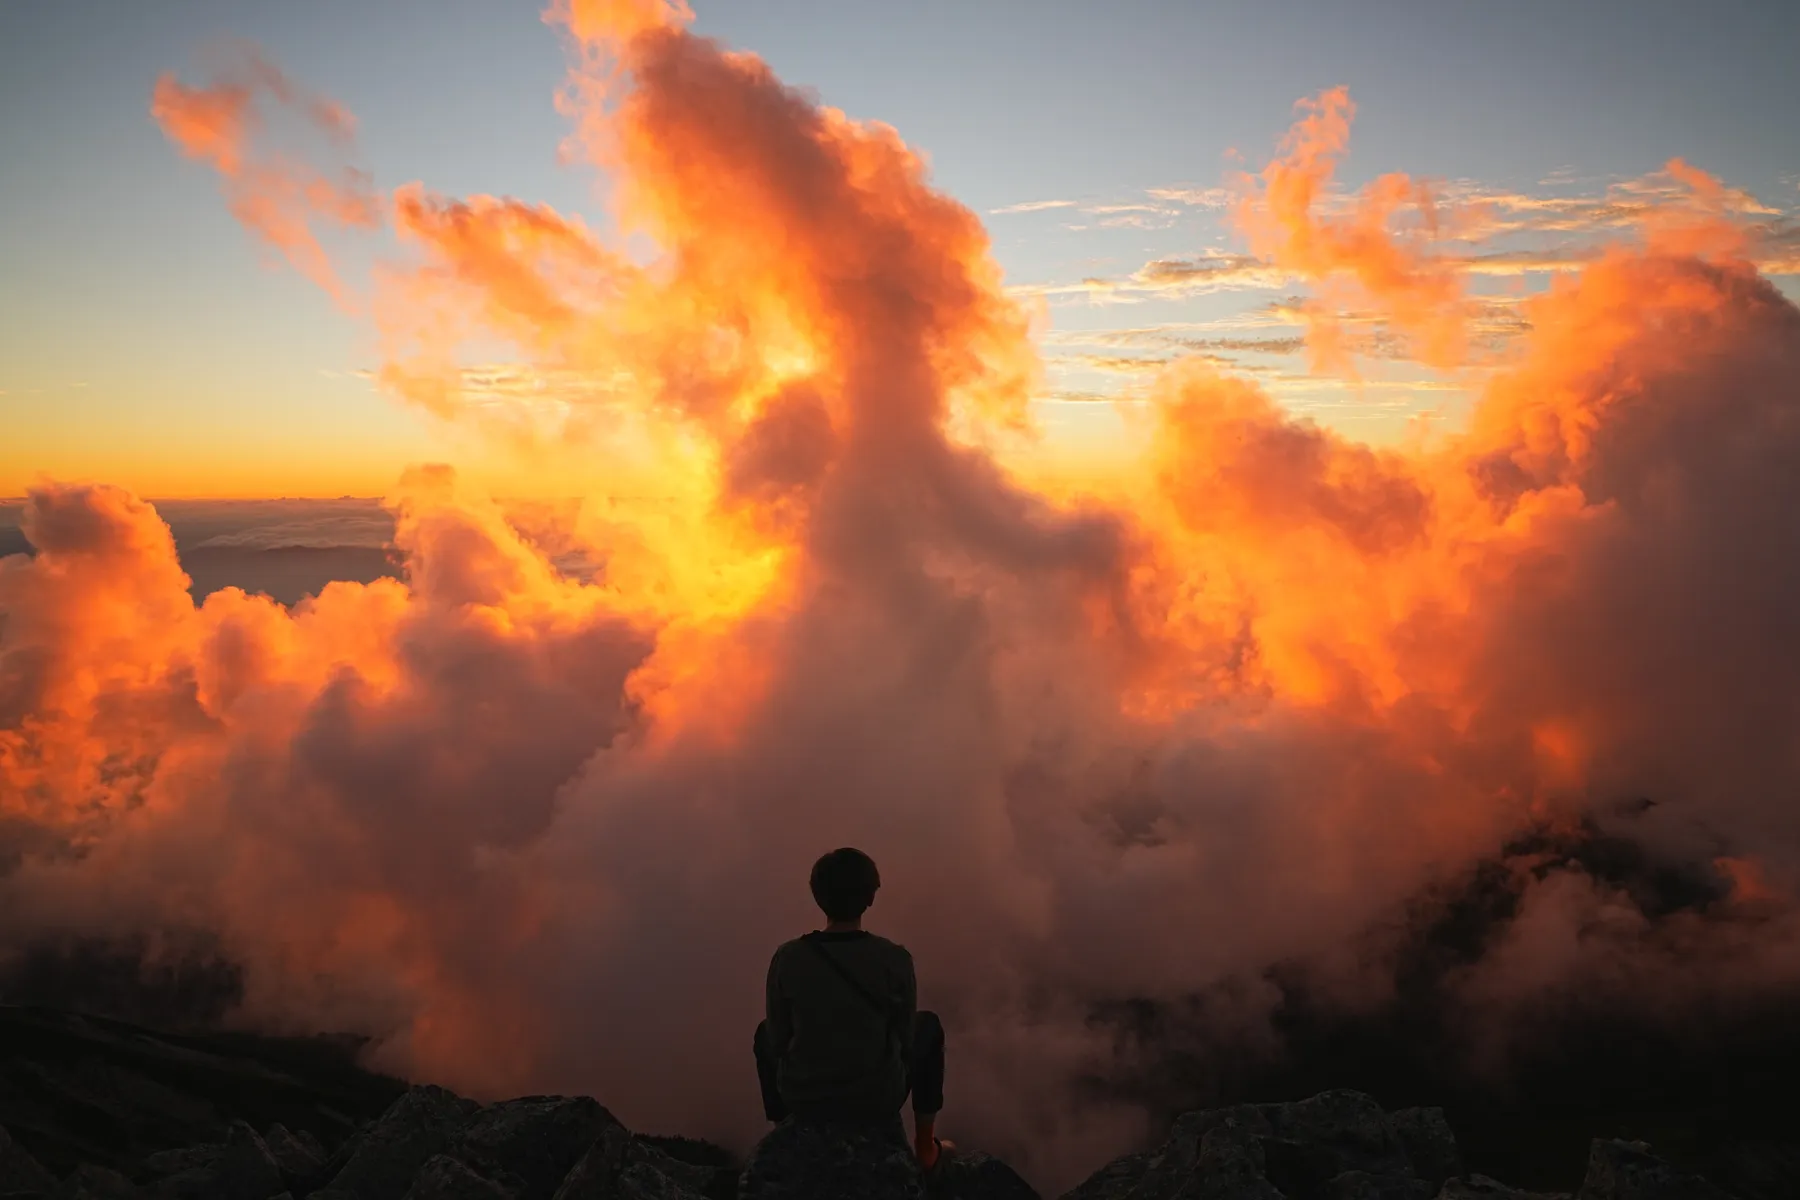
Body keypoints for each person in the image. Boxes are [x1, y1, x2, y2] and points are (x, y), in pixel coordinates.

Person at [755, 847, 948, 1170]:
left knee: (762, 1032)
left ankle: (784, 1131)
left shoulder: (787, 958)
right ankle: (925, 1147)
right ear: (871, 897)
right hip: (876, 1099)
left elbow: (777, 1036)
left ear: (817, 896)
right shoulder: (894, 959)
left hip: (803, 1098)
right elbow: (905, 1036)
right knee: (927, 1026)